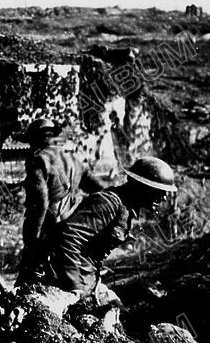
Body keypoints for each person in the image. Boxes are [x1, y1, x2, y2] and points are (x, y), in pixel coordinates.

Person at [40, 157, 177, 299]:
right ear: (142, 187)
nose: (164, 197)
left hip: (89, 279)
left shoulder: (127, 208)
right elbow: (69, 238)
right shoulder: (108, 203)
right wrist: (74, 287)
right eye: (159, 191)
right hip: (67, 281)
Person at [16, 118, 104, 287]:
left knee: (31, 279)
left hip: (49, 226)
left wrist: (32, 240)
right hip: (72, 224)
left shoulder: (38, 159)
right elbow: (97, 187)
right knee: (65, 275)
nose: (30, 147)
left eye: (30, 142)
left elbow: (40, 203)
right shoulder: (75, 155)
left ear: (36, 138)